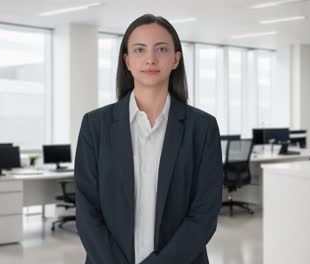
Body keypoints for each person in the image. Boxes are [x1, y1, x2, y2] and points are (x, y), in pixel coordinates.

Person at [75, 14, 224, 264]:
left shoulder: (203, 128)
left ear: (175, 59)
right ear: (127, 60)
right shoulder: (95, 125)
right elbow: (87, 212)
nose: (150, 58)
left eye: (162, 49)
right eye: (139, 49)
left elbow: (203, 216)